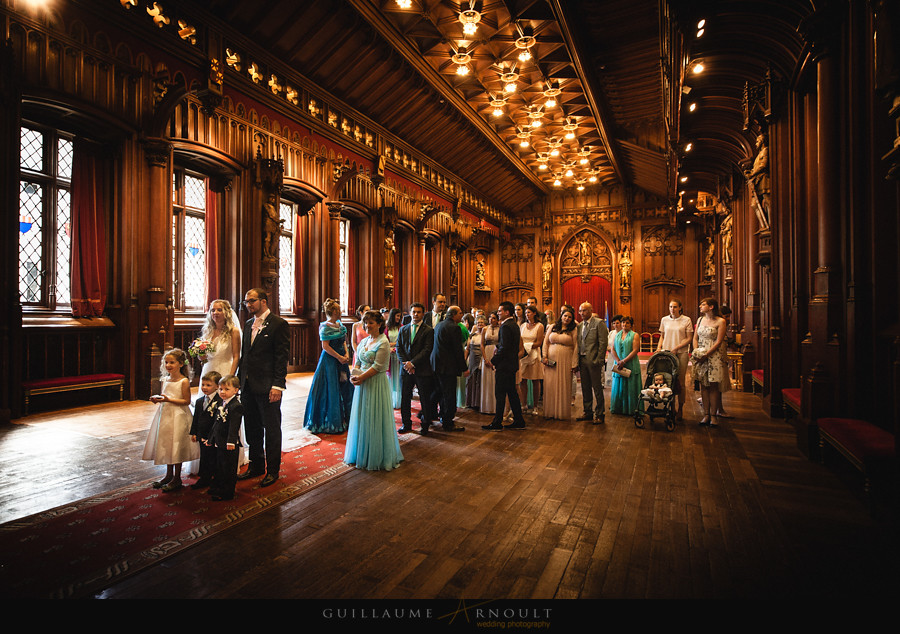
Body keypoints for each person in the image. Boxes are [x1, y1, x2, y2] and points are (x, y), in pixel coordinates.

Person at [237, 287, 289, 488]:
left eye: (251, 301)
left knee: (272, 429)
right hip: (248, 385)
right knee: (252, 427)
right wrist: (240, 382)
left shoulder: (278, 324)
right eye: (246, 302)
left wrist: (277, 385)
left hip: (269, 386)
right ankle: (256, 465)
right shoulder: (248, 323)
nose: (248, 305)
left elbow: (281, 358)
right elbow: (246, 356)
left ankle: (273, 470)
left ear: (264, 301)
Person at [345, 310, 404, 470]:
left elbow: (378, 367)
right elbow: (358, 360)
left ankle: (376, 455)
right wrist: (354, 374)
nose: (367, 326)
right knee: (361, 416)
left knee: (373, 415)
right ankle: (360, 452)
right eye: (366, 323)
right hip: (361, 383)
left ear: (379, 324)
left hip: (375, 383)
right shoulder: (364, 341)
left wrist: (362, 377)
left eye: (371, 323)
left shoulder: (383, 342)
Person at [142, 348, 199, 492]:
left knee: (177, 445)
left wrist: (168, 399)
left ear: (180, 364)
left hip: (179, 416)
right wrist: (158, 399)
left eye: (172, 362)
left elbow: (186, 401)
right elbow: (164, 395)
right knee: (167, 444)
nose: (168, 365)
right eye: (166, 362)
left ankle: (177, 478)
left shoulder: (184, 381)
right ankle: (168, 475)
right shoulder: (165, 379)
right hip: (165, 415)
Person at [303, 298, 353, 434]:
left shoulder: (340, 325)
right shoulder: (325, 327)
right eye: (340, 309)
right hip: (330, 362)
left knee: (345, 387)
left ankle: (346, 419)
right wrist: (339, 357)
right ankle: (330, 421)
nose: (341, 311)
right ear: (335, 311)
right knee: (330, 389)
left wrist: (347, 355)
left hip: (342, 361)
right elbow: (325, 347)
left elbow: (344, 342)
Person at [482, 301, 526, 431]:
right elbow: (507, 345)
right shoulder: (514, 325)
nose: (498, 312)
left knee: (500, 394)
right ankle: (519, 420)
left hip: (504, 366)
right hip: (511, 365)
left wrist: (493, 361)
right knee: (512, 394)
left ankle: (497, 422)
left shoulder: (506, 326)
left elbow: (505, 348)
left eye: (500, 311)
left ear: (507, 312)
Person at [396, 303, 436, 435]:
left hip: (422, 369)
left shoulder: (429, 330)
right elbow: (399, 348)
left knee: (424, 398)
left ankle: (424, 425)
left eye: (419, 312)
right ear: (410, 312)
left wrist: (412, 363)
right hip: (406, 370)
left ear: (423, 314)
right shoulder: (403, 329)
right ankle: (406, 424)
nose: (416, 314)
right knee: (405, 398)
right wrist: (406, 363)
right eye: (414, 312)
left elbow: (427, 350)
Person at [431, 305, 468, 432]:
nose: (461, 315)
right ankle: (448, 422)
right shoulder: (454, 328)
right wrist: (464, 368)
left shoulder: (439, 325)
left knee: (439, 392)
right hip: (448, 367)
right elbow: (458, 351)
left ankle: (431, 414)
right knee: (449, 395)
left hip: (437, 365)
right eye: (460, 313)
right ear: (453, 315)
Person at [692, 297, 728, 427]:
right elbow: (695, 338)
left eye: (703, 304)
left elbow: (719, 342)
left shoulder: (721, 321)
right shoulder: (700, 320)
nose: (700, 306)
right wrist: (697, 352)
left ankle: (714, 415)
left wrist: (706, 354)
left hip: (714, 356)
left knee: (713, 386)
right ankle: (705, 414)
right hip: (700, 355)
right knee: (703, 385)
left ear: (711, 307)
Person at [208, 374, 244, 501]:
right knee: (220, 466)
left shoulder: (236, 406)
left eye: (226, 389)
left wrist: (231, 441)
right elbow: (216, 424)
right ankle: (219, 487)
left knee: (229, 468)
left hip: (229, 443)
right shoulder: (221, 403)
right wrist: (211, 438)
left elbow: (234, 426)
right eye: (220, 389)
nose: (222, 392)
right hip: (219, 441)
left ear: (236, 390)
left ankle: (228, 492)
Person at [656, 300, 693, 420]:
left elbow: (689, 338)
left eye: (675, 307)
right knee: (668, 380)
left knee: (680, 381)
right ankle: (671, 407)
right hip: (667, 353)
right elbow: (662, 336)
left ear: (680, 308)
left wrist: (677, 348)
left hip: (681, 352)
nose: (672, 309)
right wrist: (658, 348)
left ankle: (681, 408)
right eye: (670, 306)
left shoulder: (686, 320)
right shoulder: (664, 319)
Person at [542, 304, 579, 419]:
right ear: (561, 316)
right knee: (550, 385)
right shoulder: (552, 326)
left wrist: (574, 363)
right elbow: (546, 342)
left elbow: (576, 346)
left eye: (569, 317)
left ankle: (561, 412)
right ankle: (550, 412)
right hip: (551, 361)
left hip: (565, 360)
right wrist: (544, 356)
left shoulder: (573, 329)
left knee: (563, 385)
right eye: (565, 316)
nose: (567, 318)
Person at [576, 302, 610, 424]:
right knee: (585, 387)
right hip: (583, 360)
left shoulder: (598, 323)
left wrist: (599, 360)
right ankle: (588, 412)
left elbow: (603, 343)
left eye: (584, 310)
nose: (581, 313)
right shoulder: (580, 325)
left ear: (591, 310)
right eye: (580, 311)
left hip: (594, 360)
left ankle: (600, 413)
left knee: (597, 388)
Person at [189, 370, 222, 490]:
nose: (204, 388)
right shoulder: (199, 401)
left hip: (213, 437)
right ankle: (204, 478)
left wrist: (212, 437)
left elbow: (218, 422)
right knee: (204, 458)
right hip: (202, 436)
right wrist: (194, 433)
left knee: (214, 458)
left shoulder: (220, 402)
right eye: (203, 385)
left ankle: (215, 479)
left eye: (208, 385)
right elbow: (196, 418)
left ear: (217, 386)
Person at [200, 299, 241, 378]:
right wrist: (200, 354)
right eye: (213, 310)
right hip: (208, 368)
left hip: (225, 369)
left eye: (219, 310)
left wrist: (231, 376)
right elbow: (204, 358)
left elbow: (236, 356)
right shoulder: (207, 331)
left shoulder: (233, 331)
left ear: (226, 312)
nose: (215, 313)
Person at [610, 316, 643, 415]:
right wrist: (618, 361)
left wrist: (623, 361)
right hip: (619, 364)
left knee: (631, 387)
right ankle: (618, 409)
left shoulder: (635, 335)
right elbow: (612, 349)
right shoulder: (617, 335)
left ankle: (632, 409)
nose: (624, 325)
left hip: (631, 364)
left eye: (627, 323)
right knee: (619, 386)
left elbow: (635, 350)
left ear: (631, 325)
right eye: (623, 323)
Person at [519, 305, 545, 414]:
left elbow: (539, 343)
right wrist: (522, 350)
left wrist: (526, 347)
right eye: (526, 313)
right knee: (523, 380)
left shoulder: (540, 326)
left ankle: (535, 406)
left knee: (535, 380)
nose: (527, 314)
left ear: (534, 313)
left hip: (534, 355)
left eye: (529, 312)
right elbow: (519, 340)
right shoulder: (523, 326)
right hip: (523, 356)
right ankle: (524, 404)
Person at [479, 311, 500, 415]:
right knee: (487, 381)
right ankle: (487, 406)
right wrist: (485, 358)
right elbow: (482, 344)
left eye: (494, 318)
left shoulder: (501, 329)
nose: (491, 320)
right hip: (487, 352)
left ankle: (497, 407)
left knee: (496, 381)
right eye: (490, 318)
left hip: (497, 353)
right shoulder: (485, 329)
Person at [466, 314, 486, 410]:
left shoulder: (486, 335)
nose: (480, 324)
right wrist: (465, 359)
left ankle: (479, 402)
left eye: (482, 322)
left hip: (482, 358)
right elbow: (467, 349)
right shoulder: (472, 335)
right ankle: (471, 402)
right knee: (471, 379)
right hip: (473, 359)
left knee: (480, 380)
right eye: (478, 323)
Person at [385, 307, 404, 409]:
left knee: (398, 378)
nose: (399, 318)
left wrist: (394, 345)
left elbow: (402, 342)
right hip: (389, 355)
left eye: (400, 316)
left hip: (398, 355)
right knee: (390, 378)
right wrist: (390, 346)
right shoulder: (386, 327)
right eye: (397, 316)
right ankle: (390, 401)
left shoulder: (402, 327)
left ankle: (398, 401)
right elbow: (383, 340)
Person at [458, 314, 473, 407]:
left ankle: (460, 400)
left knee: (460, 381)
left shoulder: (461, 328)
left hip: (462, 355)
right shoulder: (463, 328)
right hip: (464, 354)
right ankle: (462, 400)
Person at [606, 315, 622, 385]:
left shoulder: (624, 333)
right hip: (610, 356)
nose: (615, 325)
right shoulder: (611, 333)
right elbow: (606, 344)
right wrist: (609, 348)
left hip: (620, 356)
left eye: (617, 323)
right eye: (614, 323)